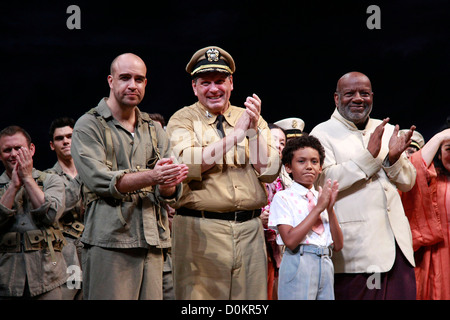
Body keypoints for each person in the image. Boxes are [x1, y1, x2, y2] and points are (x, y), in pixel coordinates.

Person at [166, 46, 280, 300]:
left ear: (231, 83)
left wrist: (253, 131)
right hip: (200, 228)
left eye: (220, 81)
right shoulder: (182, 119)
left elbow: (270, 171)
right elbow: (188, 163)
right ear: (194, 87)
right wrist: (236, 135)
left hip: (250, 230)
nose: (214, 88)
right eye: (205, 83)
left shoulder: (250, 117)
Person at [71, 53, 188, 300]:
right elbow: (99, 180)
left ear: (146, 83)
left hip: (153, 241)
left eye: (139, 79)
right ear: (111, 81)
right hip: (110, 241)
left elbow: (166, 193)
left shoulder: (153, 129)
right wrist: (154, 176)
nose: (132, 85)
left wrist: (168, 183)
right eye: (125, 78)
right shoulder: (89, 125)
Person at [310, 71, 417, 300]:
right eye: (349, 93)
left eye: (364, 93)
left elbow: (408, 183)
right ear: (337, 99)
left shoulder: (387, 128)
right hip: (356, 252)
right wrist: (369, 156)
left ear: (372, 97)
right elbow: (322, 182)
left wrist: (393, 160)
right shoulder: (321, 133)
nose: (358, 98)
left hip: (398, 247)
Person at [269, 135, 343, 300]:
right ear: (288, 167)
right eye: (301, 161)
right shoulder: (283, 198)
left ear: (321, 167)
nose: (309, 166)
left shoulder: (321, 198)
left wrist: (329, 210)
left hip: (325, 261)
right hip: (299, 261)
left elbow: (338, 245)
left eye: (314, 162)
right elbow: (290, 240)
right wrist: (318, 208)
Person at [0, 126, 66, 299]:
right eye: (7, 150)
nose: (13, 154)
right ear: (0, 155)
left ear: (31, 149)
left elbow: (51, 215)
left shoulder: (52, 180)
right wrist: (13, 186)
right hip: (7, 278)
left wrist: (28, 179)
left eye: (18, 148)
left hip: (47, 277)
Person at [401, 126, 450, 299]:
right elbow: (411, 170)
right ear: (438, 152)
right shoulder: (432, 180)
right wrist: (438, 137)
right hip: (437, 260)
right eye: (449, 149)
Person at [46, 117, 84, 300]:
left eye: (70, 136)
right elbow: (58, 207)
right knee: (71, 293)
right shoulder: (47, 178)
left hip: (95, 244)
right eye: (60, 138)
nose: (66, 141)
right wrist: (85, 175)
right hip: (67, 250)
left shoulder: (93, 170)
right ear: (52, 145)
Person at [260, 123, 286, 300]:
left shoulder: (287, 177)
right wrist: (258, 218)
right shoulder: (251, 172)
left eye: (283, 142)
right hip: (256, 244)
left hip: (279, 247)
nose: (278, 145)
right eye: (273, 140)